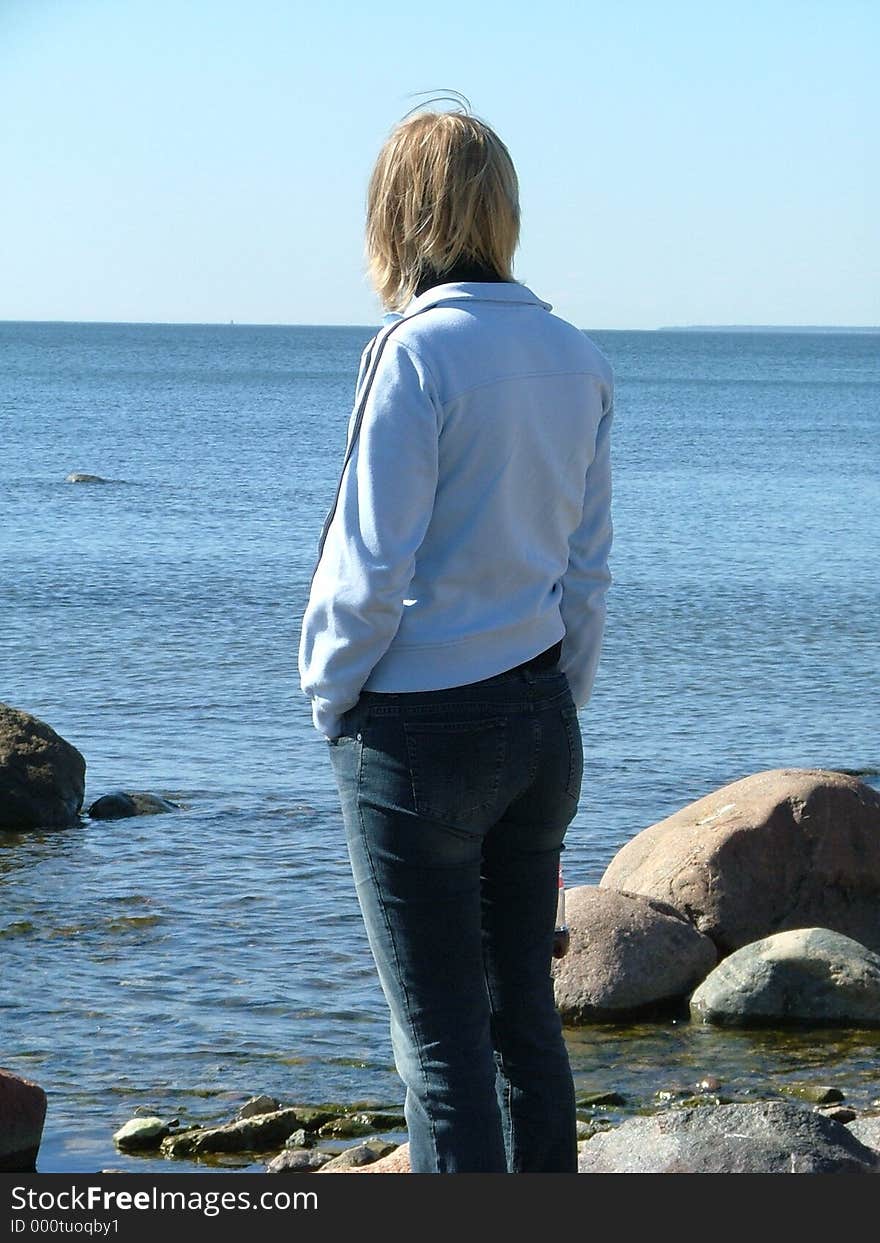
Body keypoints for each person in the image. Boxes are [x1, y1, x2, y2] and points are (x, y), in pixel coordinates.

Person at [298, 108, 613, 1173]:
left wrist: (330, 696)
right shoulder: (574, 353)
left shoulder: (411, 350)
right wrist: (559, 692)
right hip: (537, 719)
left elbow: (371, 563)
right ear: (503, 209)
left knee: (438, 1048)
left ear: (396, 213)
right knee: (524, 1022)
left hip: (419, 731)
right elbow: (586, 567)